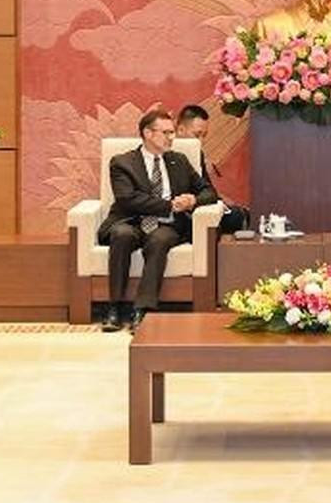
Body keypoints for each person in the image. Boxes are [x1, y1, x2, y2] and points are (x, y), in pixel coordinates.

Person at [101, 108, 216, 333]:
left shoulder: (179, 161)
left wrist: (192, 199)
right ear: (148, 133)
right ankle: (114, 308)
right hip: (131, 221)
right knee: (121, 235)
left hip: (167, 225)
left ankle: (142, 310)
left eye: (172, 132)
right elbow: (127, 199)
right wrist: (169, 205)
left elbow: (209, 192)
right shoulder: (122, 162)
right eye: (166, 132)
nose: (172, 137)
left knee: (159, 240)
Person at [174, 103, 249, 235]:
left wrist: (222, 204)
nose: (201, 141)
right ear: (180, 130)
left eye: (204, 135)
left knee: (239, 213)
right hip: (179, 214)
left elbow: (208, 190)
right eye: (197, 135)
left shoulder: (198, 154)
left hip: (200, 208)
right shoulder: (166, 153)